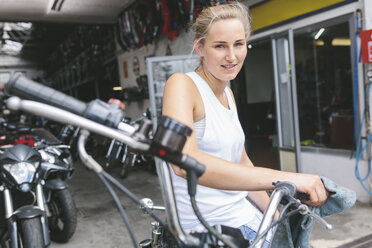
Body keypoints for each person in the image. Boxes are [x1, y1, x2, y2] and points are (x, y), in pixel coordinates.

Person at [161, 2, 329, 246]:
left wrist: (273, 212)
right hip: (210, 231)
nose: (232, 56)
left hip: (248, 219)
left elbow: (241, 162)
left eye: (239, 44)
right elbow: (183, 162)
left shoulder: (228, 93)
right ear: (200, 48)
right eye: (220, 46)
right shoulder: (182, 84)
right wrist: (289, 178)